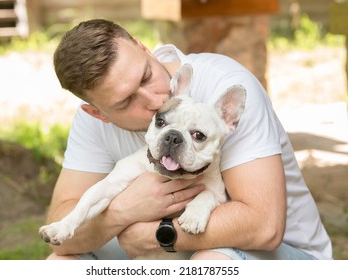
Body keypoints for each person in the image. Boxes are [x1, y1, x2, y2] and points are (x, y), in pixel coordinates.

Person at [44, 19, 332, 260]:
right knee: (61, 263)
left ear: (144, 48)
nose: (155, 99)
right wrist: (122, 212)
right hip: (169, 250)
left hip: (285, 253)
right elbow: (59, 236)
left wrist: (154, 234)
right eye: (126, 101)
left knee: (209, 264)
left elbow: (264, 227)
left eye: (145, 76)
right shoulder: (91, 123)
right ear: (98, 113)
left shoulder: (225, 87)